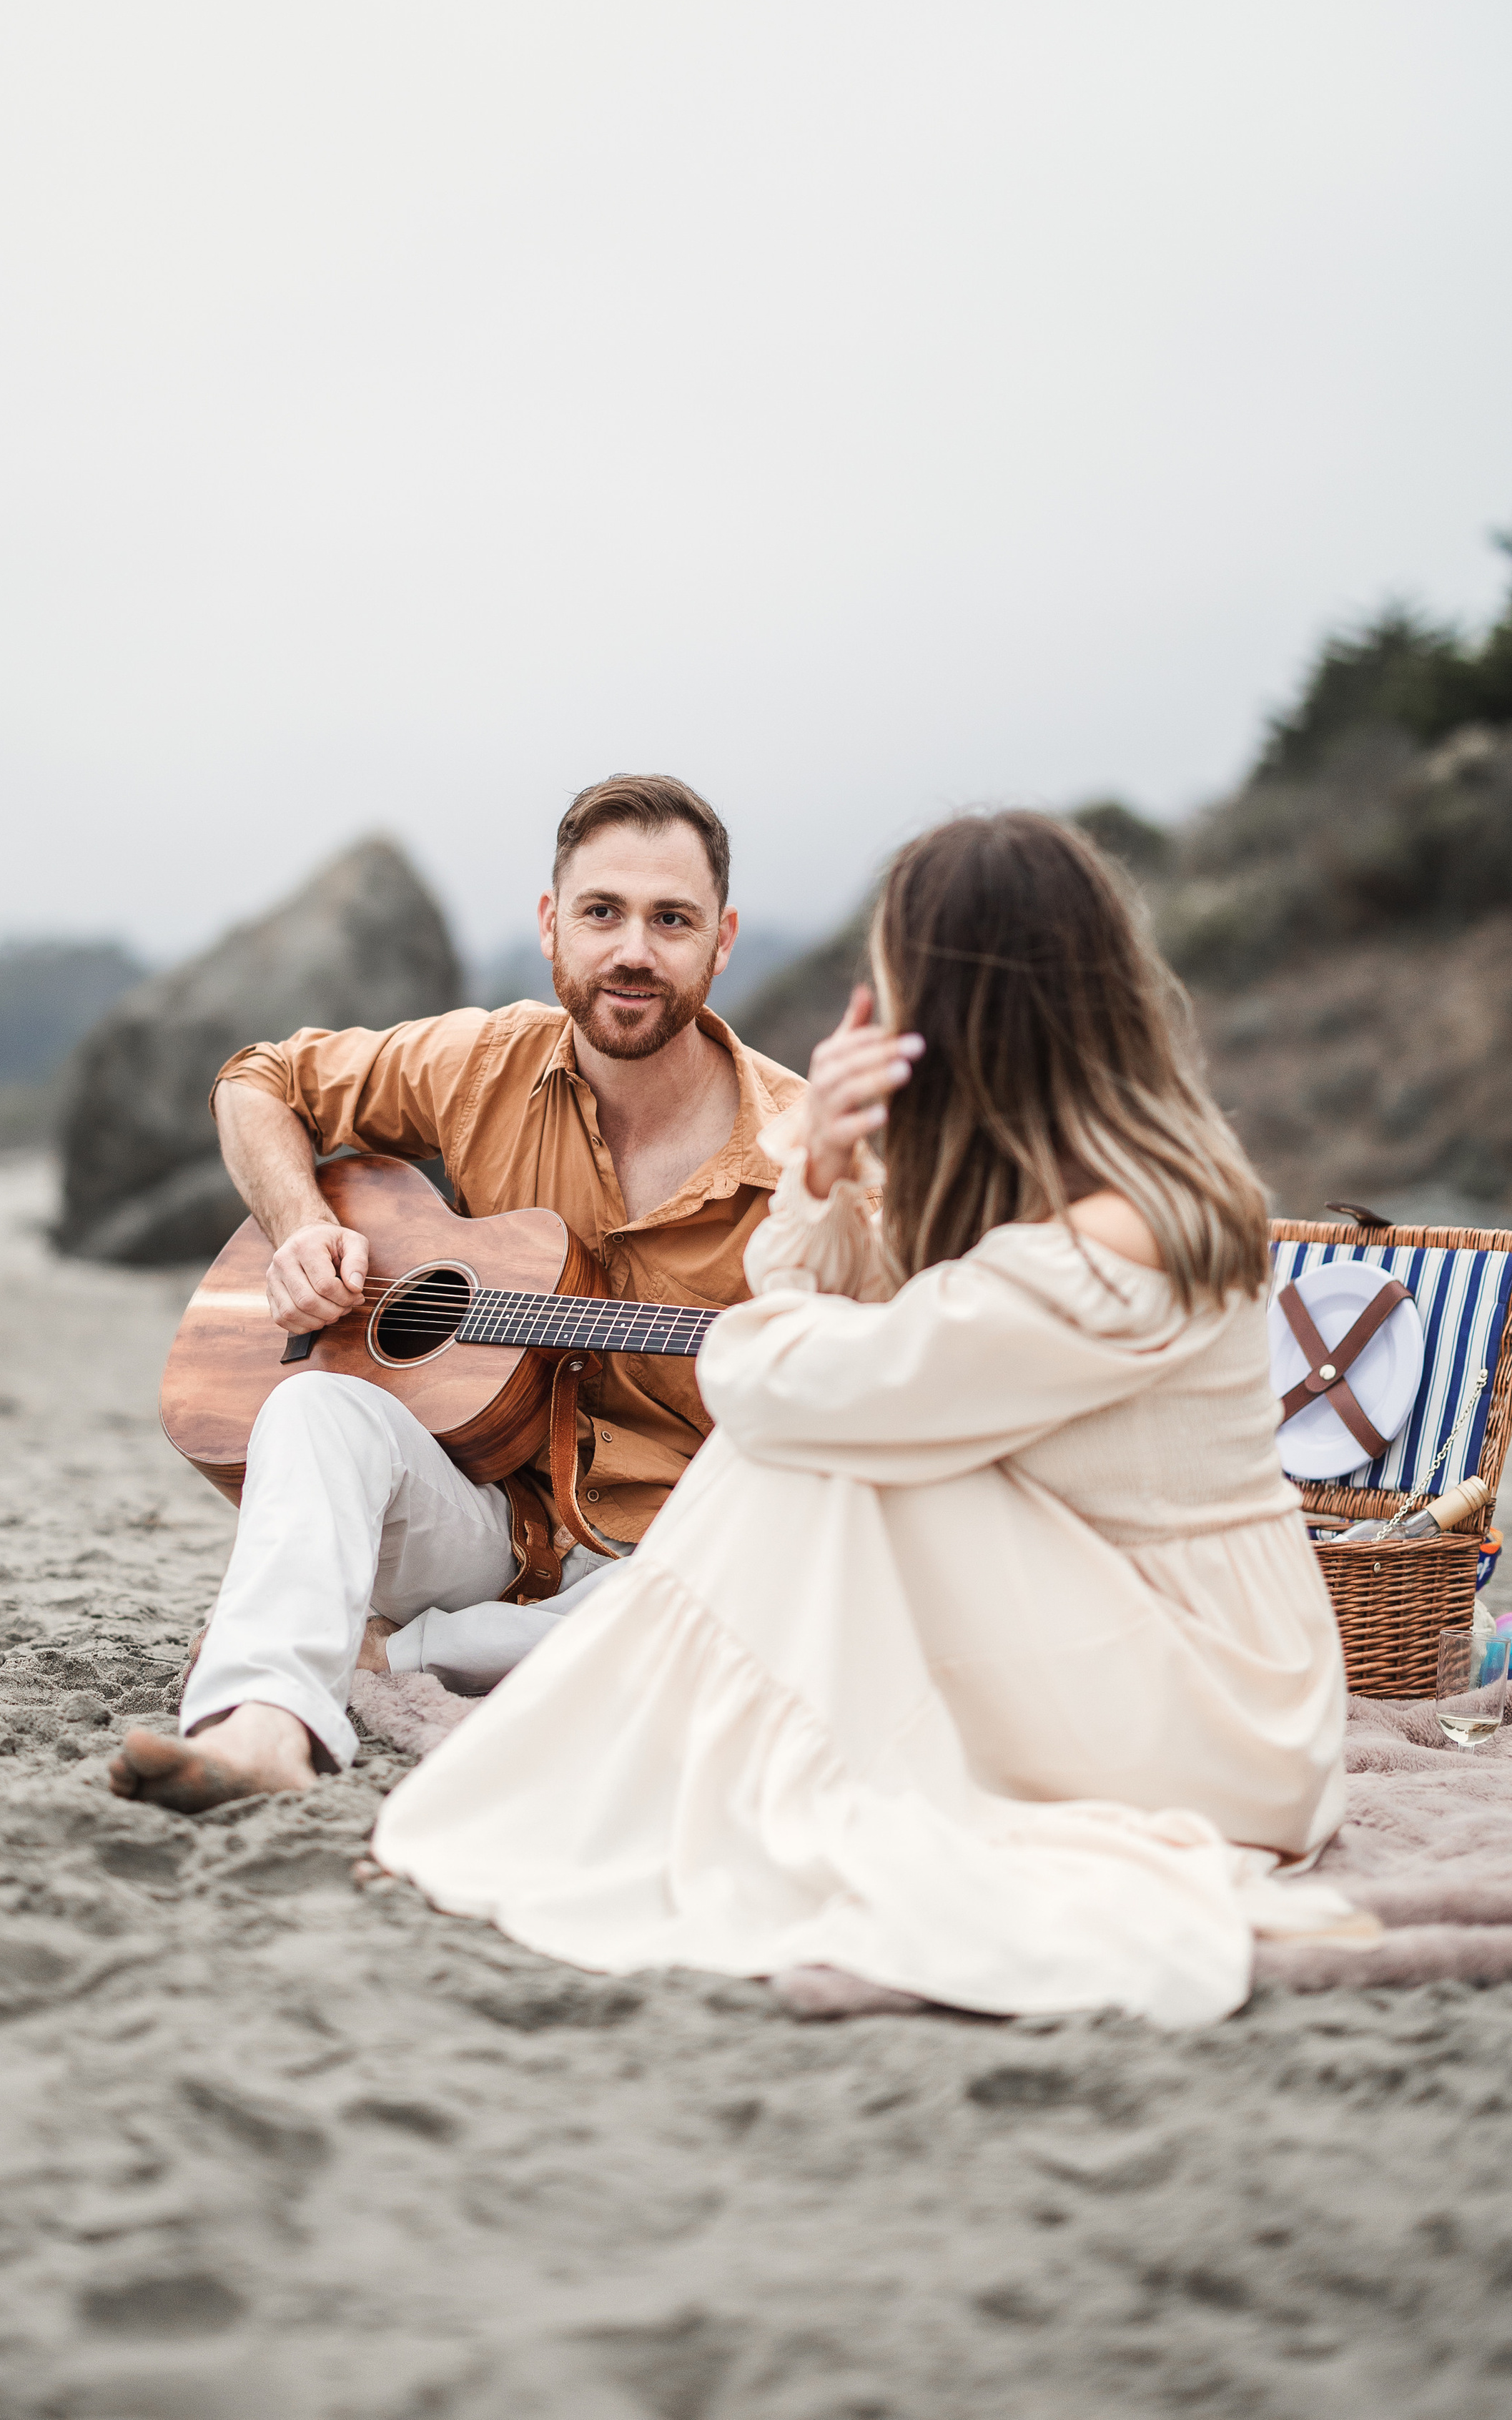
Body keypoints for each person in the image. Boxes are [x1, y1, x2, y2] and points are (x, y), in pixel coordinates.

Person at [371, 810, 1370, 2028]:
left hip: (1214, 1709)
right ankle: (578, 1701)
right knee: (818, 1447)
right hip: (1115, 1618)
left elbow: (789, 1379)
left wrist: (790, 1319)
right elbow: (830, 1339)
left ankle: (592, 1720)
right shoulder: (1039, 1173)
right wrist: (829, 1169)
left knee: (807, 1459)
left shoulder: (1125, 1238)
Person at [109, 772, 804, 1813]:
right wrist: (304, 1230)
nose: (633, 951)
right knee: (313, 1405)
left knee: (757, 1598)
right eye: (602, 912)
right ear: (549, 924)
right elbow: (261, 1080)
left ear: (724, 939)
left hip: (659, 1558)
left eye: (672, 920)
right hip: (476, 1520)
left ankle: (394, 1656)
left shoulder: (807, 1156)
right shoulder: (483, 1063)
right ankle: (260, 1726)